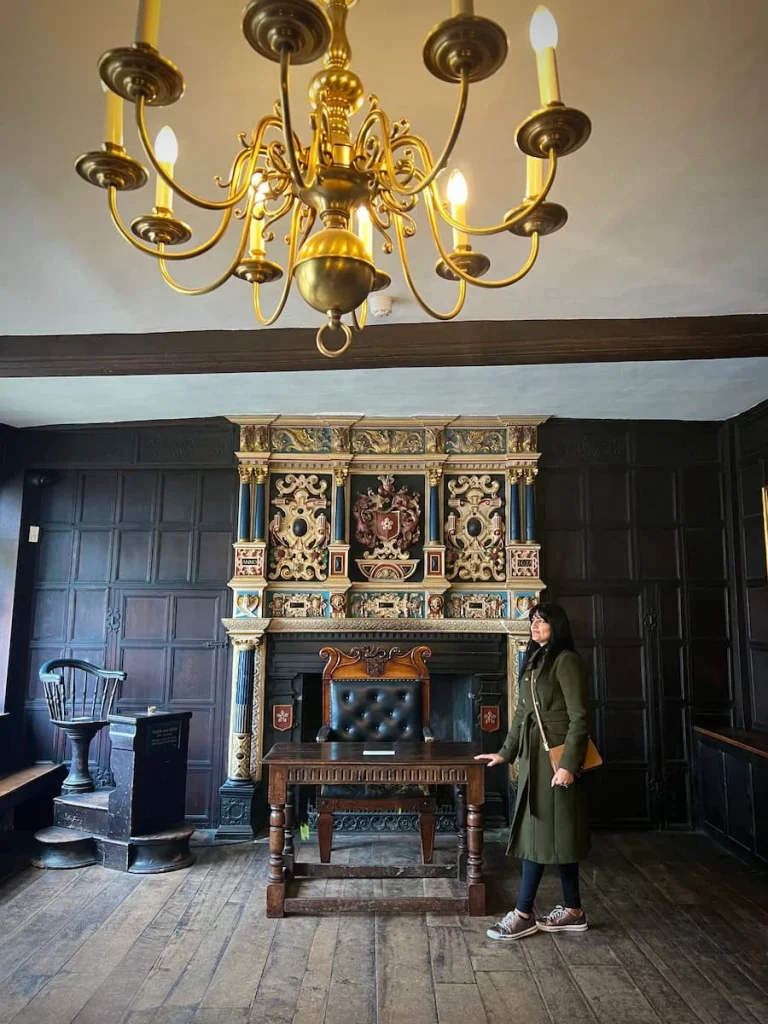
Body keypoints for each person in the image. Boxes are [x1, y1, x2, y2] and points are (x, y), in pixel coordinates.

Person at [475, 602, 591, 941]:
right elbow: (523, 714)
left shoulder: (566, 661)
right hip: (533, 760)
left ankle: (523, 913)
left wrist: (569, 764)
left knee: (540, 835)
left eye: (542, 621)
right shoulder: (534, 662)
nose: (535, 626)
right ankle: (574, 910)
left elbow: (579, 718)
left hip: (555, 760)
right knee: (556, 833)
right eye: (532, 621)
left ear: (557, 625)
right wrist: (504, 753)